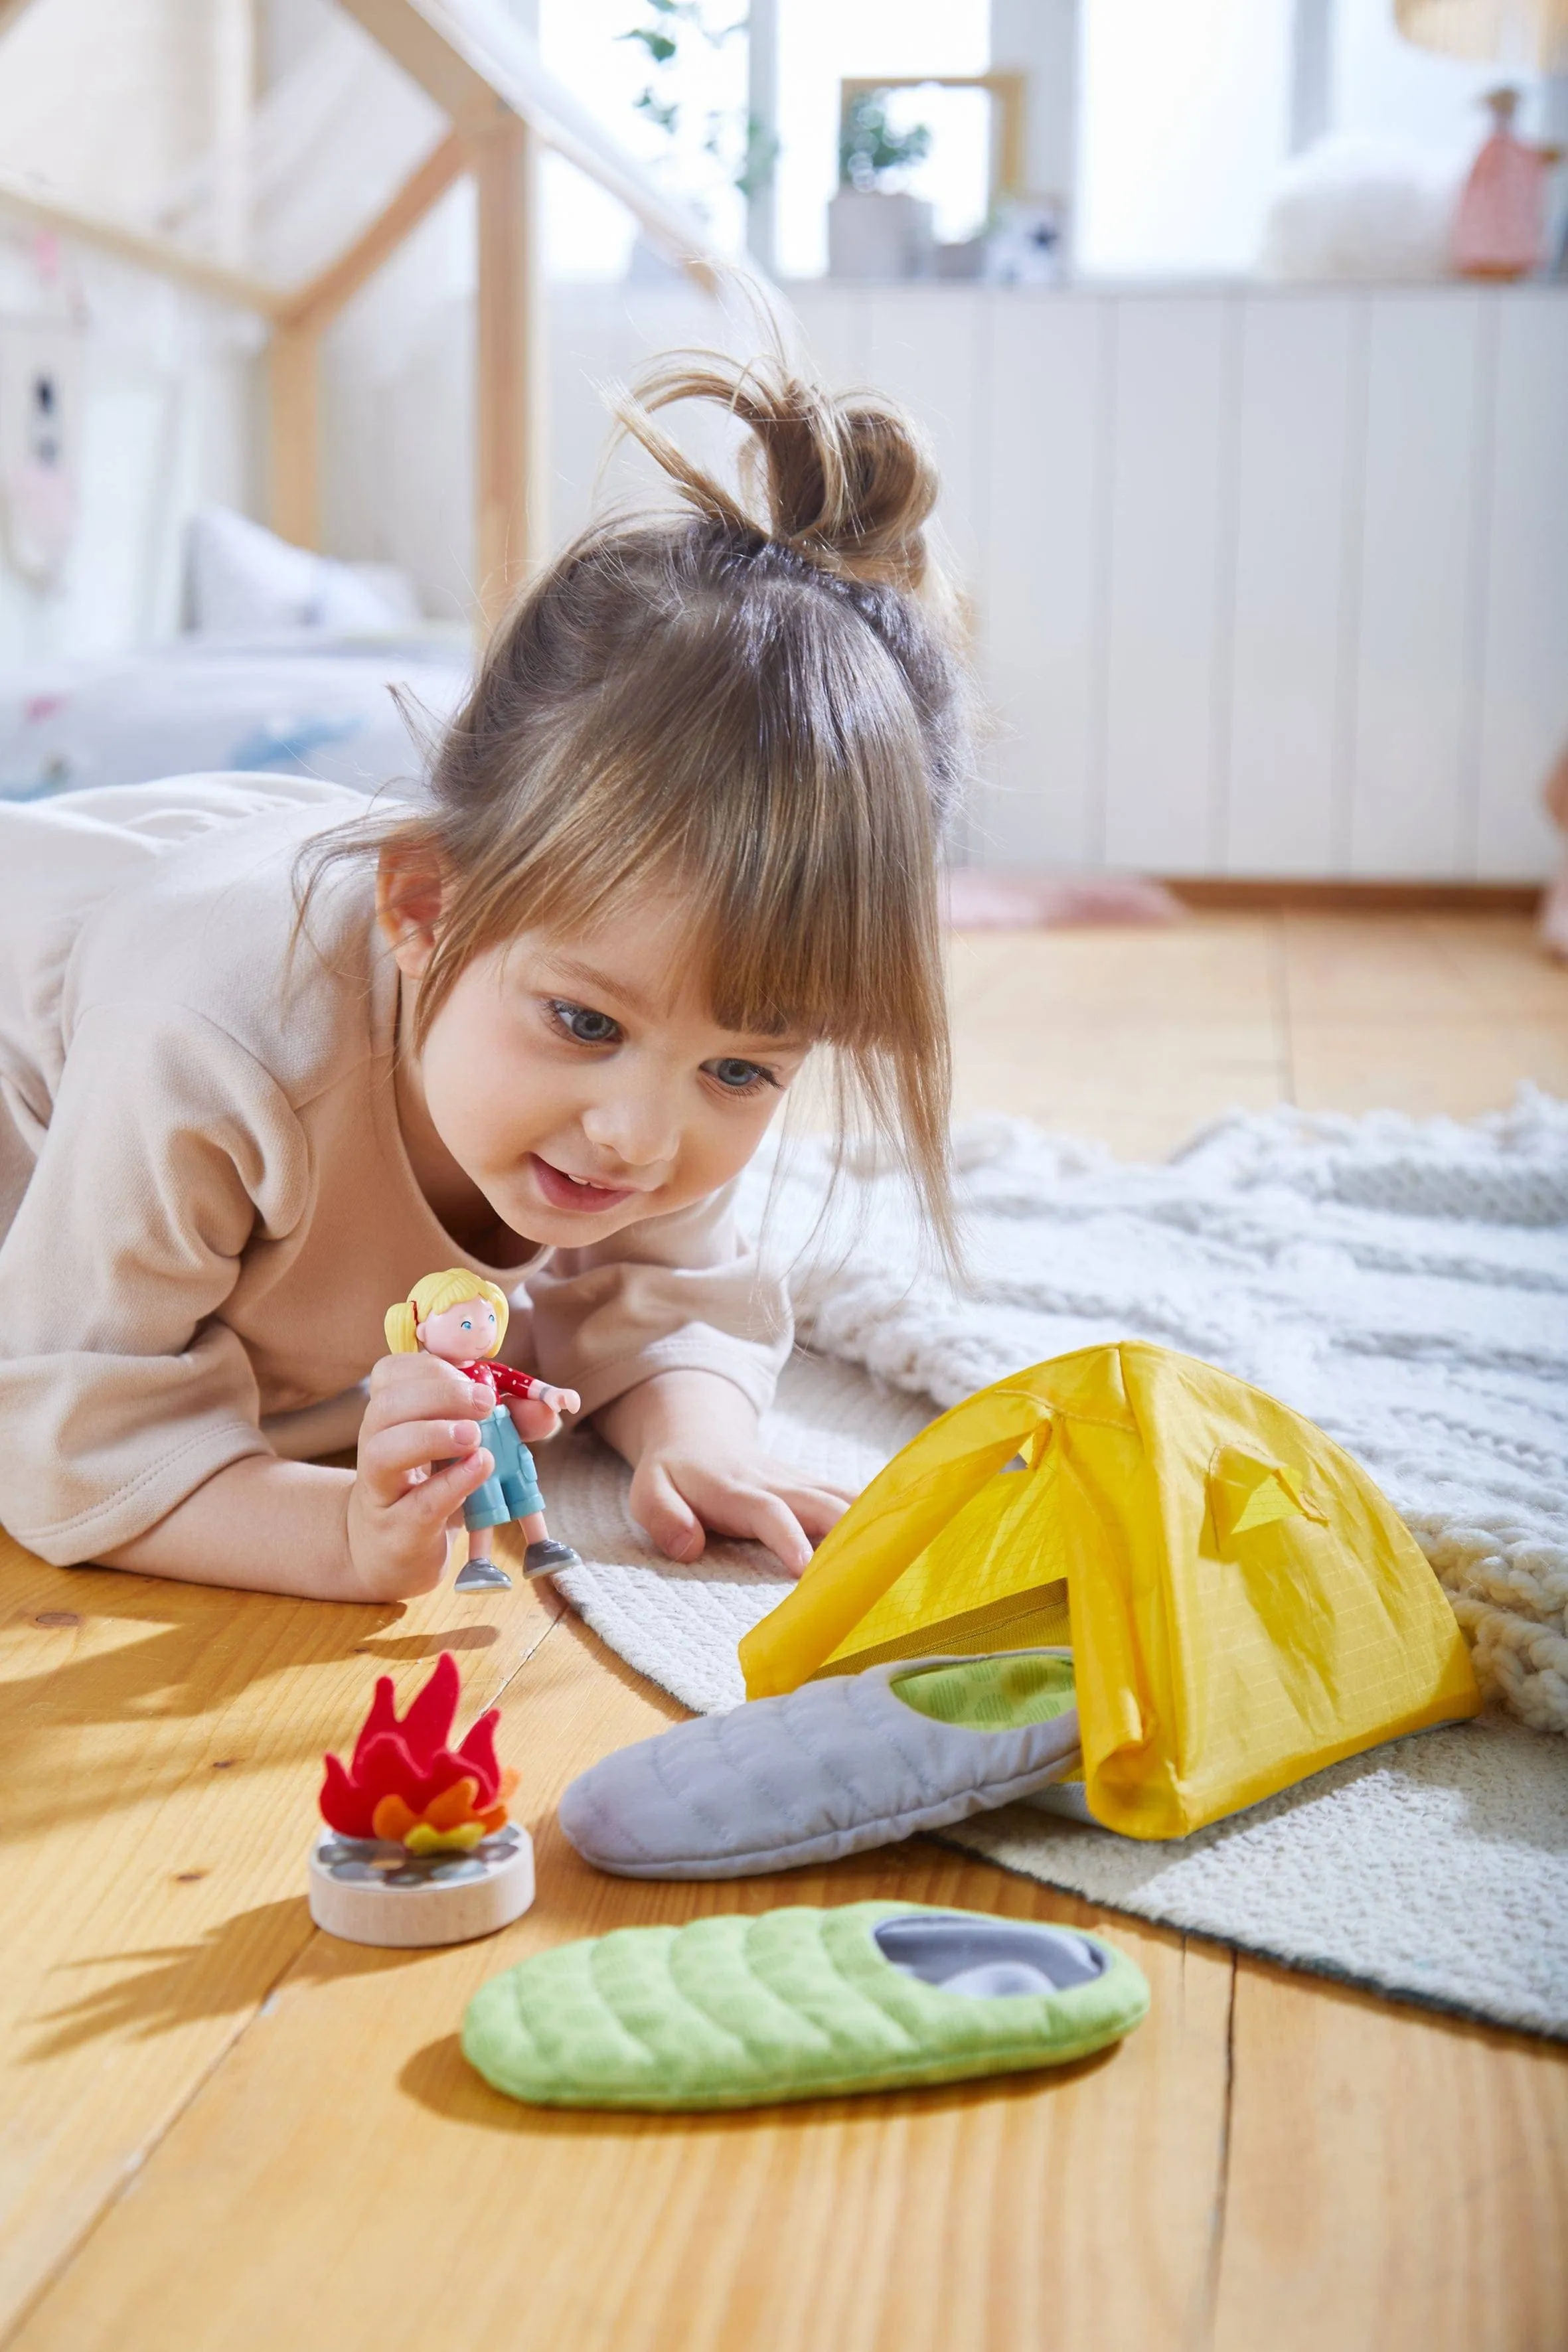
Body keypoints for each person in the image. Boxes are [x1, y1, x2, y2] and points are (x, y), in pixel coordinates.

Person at [0, 349, 971, 1603]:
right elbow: (71, 1433)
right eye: (582, 1023)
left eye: (742, 1068)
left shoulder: (641, 1034)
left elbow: (665, 1287)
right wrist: (333, 1536)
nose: (636, 1135)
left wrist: (696, 1438)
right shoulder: (215, 1038)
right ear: (426, 908)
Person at [383, 1267, 582, 1591]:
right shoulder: (436, 1377)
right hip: (470, 1446)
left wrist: (552, 1394)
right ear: (421, 1332)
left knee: (526, 1492)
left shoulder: (487, 1369)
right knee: (483, 1502)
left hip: (508, 1437)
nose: (483, 1333)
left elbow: (520, 1383)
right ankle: (478, 1563)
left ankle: (540, 1545)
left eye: (488, 1320)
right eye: (466, 1324)